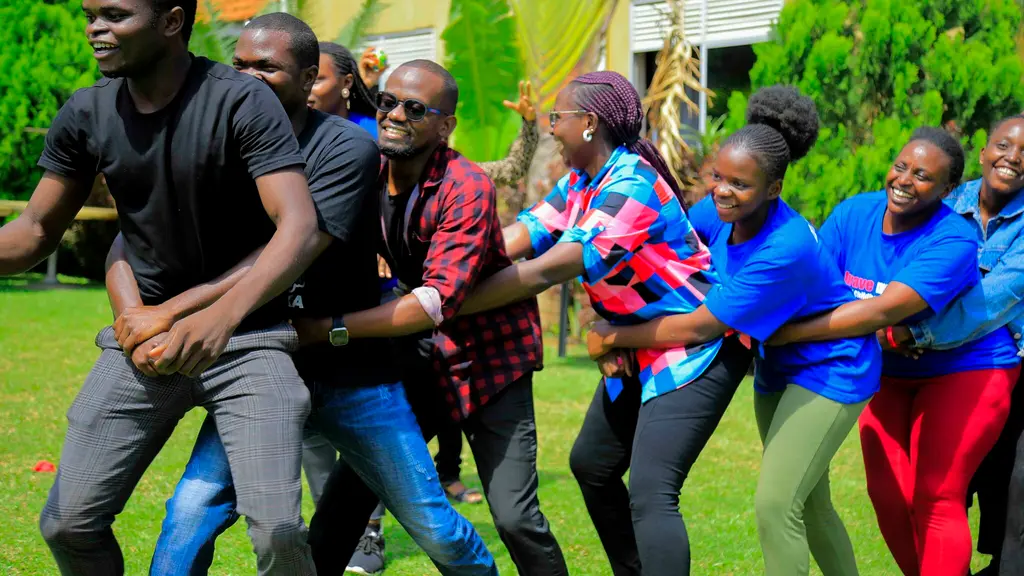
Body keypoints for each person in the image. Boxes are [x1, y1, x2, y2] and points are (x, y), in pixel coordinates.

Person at [103, 13, 498, 576]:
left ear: (310, 78)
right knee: (191, 509)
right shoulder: (221, 142)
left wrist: (173, 313)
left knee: (433, 523)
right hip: (261, 368)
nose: (248, 78)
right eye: (238, 66)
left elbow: (297, 246)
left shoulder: (345, 147)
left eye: (267, 67)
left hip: (353, 375)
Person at [0, 0, 326, 573]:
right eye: (90, 14)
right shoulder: (87, 112)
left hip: (248, 339)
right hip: (144, 346)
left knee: (276, 528)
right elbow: (34, 230)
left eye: (115, 15)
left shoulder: (240, 100)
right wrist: (148, 318)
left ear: (172, 22)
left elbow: (297, 227)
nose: (96, 28)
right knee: (67, 522)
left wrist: (219, 318)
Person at [583, 85, 879, 576]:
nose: (722, 190)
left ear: (774, 189)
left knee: (776, 504)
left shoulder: (784, 248)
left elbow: (703, 324)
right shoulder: (717, 213)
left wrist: (611, 335)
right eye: (718, 176)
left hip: (832, 369)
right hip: (776, 361)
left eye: (739, 184)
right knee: (811, 502)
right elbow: (666, 249)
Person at [292, 59, 567, 576]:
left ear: (445, 126)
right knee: (352, 488)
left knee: (512, 516)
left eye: (414, 108)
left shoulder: (466, 187)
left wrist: (331, 330)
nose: (394, 115)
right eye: (387, 102)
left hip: (491, 362)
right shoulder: (366, 169)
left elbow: (437, 300)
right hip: (419, 357)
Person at [769, 127, 1022, 576]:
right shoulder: (858, 213)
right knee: (887, 496)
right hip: (885, 368)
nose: (905, 180)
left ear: (944, 188)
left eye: (922, 175)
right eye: (901, 166)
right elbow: (817, 281)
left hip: (969, 365)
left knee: (936, 494)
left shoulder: (952, 237)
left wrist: (793, 334)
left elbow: (910, 311)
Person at [879, 114, 1024, 576]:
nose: (1012, 158)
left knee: (1000, 499)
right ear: (982, 152)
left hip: (992, 364)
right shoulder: (941, 197)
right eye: (1003, 145)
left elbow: (989, 304)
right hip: (911, 367)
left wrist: (909, 331)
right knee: (903, 493)